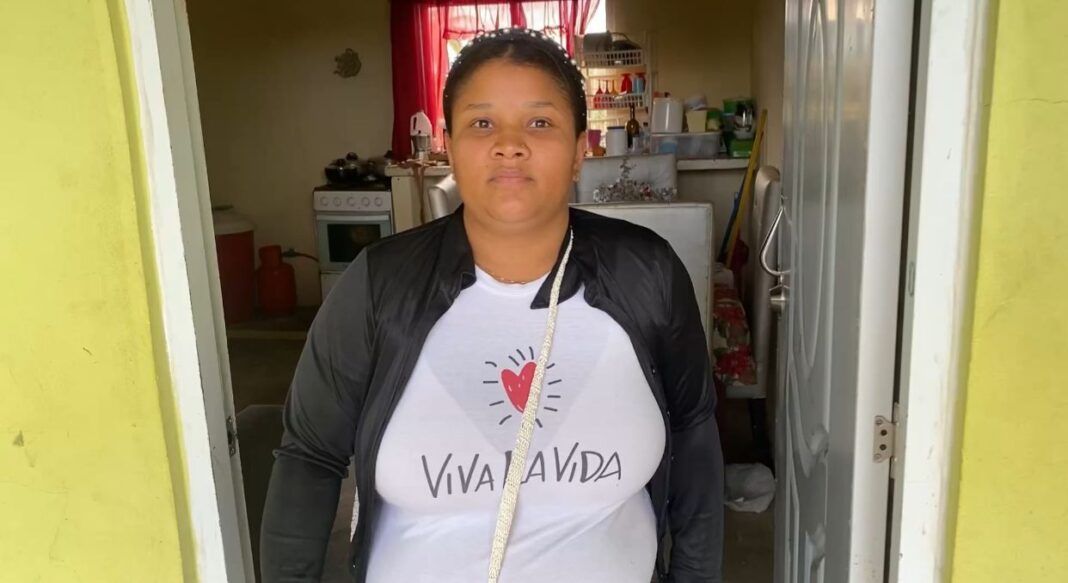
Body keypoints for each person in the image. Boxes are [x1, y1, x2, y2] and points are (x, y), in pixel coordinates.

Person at [261, 28, 724, 583]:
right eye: (482, 123)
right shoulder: (379, 286)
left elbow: (694, 431)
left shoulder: (647, 274)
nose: (510, 144)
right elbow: (309, 458)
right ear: (450, 147)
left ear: (581, 150)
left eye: (540, 123)